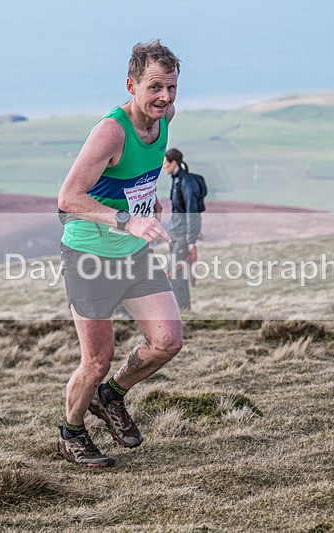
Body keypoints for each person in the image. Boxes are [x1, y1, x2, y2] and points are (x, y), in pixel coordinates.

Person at [55, 40, 183, 467]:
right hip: (90, 254)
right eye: (154, 87)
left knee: (167, 341)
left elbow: (139, 173)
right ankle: (71, 433)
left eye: (171, 87)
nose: (164, 97)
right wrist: (128, 218)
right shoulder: (110, 131)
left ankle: (112, 397)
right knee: (96, 361)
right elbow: (68, 198)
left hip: (135, 252)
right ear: (132, 85)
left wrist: (151, 201)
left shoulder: (164, 120)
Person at [163, 148, 203, 311]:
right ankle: (182, 309)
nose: (163, 166)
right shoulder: (176, 180)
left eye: (165, 163)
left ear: (173, 163)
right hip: (176, 235)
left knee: (175, 273)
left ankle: (183, 310)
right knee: (175, 274)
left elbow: (192, 211)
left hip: (182, 237)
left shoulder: (187, 183)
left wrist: (191, 241)